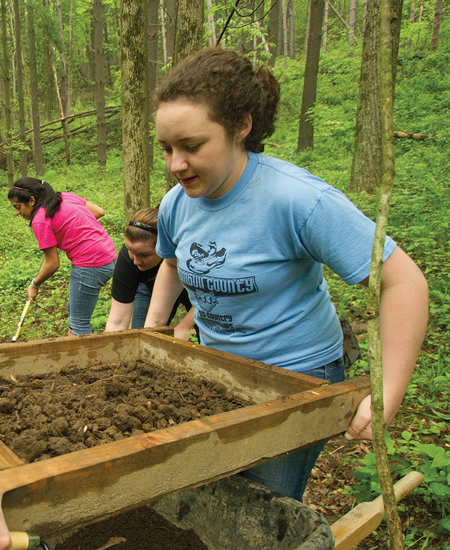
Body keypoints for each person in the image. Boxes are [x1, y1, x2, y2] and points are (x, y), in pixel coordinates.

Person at [144, 47, 428, 502]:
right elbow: (174, 262)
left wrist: (387, 390)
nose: (176, 164)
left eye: (192, 146)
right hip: (217, 371)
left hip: (296, 379)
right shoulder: (178, 202)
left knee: (260, 505)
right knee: (207, 490)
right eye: (167, 148)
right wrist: (154, 329)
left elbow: (404, 281)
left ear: (241, 127)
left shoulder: (297, 200)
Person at [8, 177, 116, 336]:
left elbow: (52, 264)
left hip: (90, 264)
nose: (17, 212)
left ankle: (84, 359)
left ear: (31, 200)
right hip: (109, 255)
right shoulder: (64, 197)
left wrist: (35, 284)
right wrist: (72, 229)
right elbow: (99, 212)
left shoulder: (40, 220)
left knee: (79, 323)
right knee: (74, 310)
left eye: (18, 207)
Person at [105, 207, 196, 339]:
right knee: (141, 336)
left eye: (144, 255)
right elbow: (117, 322)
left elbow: (212, 299)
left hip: (195, 293)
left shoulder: (188, 255)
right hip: (150, 289)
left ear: (163, 246)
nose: (136, 261)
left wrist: (184, 326)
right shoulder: (128, 259)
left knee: (208, 337)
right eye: (131, 250)